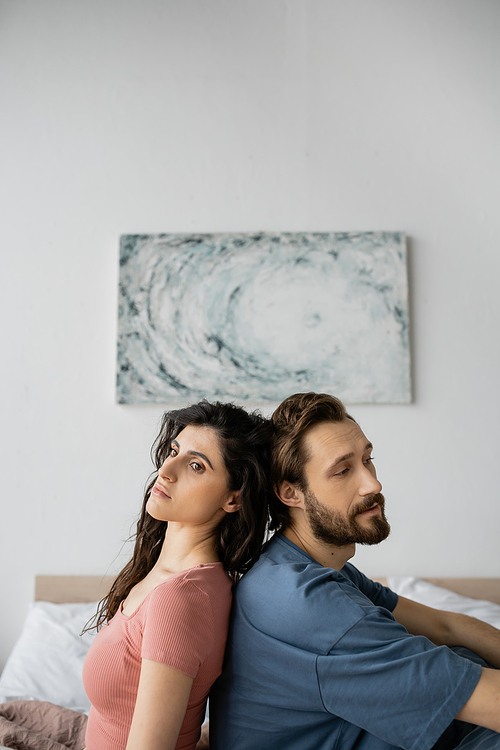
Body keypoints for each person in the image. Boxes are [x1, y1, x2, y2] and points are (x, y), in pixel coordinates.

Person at [210, 392, 500, 750]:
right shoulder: (309, 604)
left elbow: (447, 625)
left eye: (368, 460)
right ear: (291, 493)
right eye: (343, 470)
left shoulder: (305, 569)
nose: (373, 485)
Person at [82, 400, 272, 750]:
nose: (167, 470)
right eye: (174, 451)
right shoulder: (172, 574)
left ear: (233, 498)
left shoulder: (181, 597)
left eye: (196, 465)